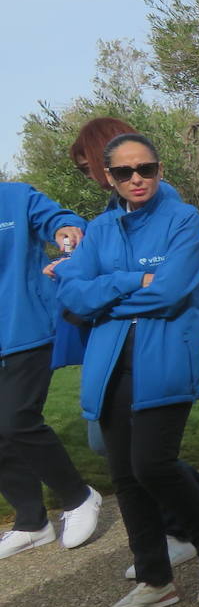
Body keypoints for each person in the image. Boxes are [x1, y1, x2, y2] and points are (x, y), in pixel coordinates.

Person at [54, 134, 199, 607]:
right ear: (109, 177)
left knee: (153, 465)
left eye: (146, 168)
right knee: (125, 477)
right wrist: (133, 281)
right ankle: (155, 580)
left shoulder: (182, 220)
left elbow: (172, 292)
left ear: (158, 170)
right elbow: (73, 295)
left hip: (164, 359)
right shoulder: (99, 229)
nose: (136, 179)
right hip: (109, 363)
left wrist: (105, 296)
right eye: (123, 172)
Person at [0, 184, 103, 560]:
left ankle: (79, 496)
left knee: (16, 420)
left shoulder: (14, 198)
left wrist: (66, 230)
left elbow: (59, 220)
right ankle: (31, 523)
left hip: (24, 329)